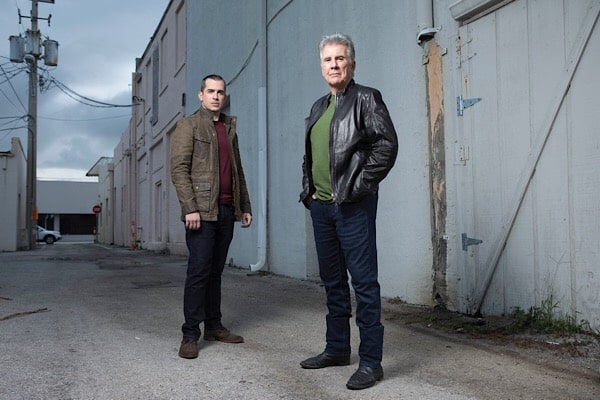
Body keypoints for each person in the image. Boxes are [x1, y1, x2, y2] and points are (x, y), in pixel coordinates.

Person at [299, 33, 398, 390]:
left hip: (353, 207)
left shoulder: (366, 99)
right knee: (333, 282)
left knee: (364, 284)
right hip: (322, 209)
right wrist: (309, 192)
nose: (334, 65)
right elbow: (310, 156)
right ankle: (338, 348)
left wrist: (357, 187)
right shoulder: (318, 107)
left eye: (340, 58)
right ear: (321, 66)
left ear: (352, 64)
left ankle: (371, 362)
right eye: (328, 60)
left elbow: (387, 145)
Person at [170, 74, 252, 359]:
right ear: (201, 95)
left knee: (215, 273)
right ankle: (190, 334)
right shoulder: (189, 125)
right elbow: (179, 169)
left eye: (220, 92)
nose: (216, 96)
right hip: (201, 212)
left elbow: (237, 170)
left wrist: (245, 206)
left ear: (224, 96)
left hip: (226, 210)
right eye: (211, 91)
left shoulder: (229, 128)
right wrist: (189, 207)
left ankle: (214, 326)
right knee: (199, 272)